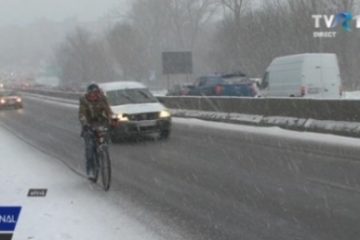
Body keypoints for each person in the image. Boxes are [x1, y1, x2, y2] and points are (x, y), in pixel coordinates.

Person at [78, 83, 112, 179]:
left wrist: (111, 119)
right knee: (89, 149)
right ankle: (91, 170)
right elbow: (82, 114)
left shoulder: (102, 99)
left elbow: (108, 111)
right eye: (92, 94)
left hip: (100, 123)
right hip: (89, 125)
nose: (94, 95)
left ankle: (103, 152)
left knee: (104, 138)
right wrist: (84, 123)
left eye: (96, 93)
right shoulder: (84, 101)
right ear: (88, 94)